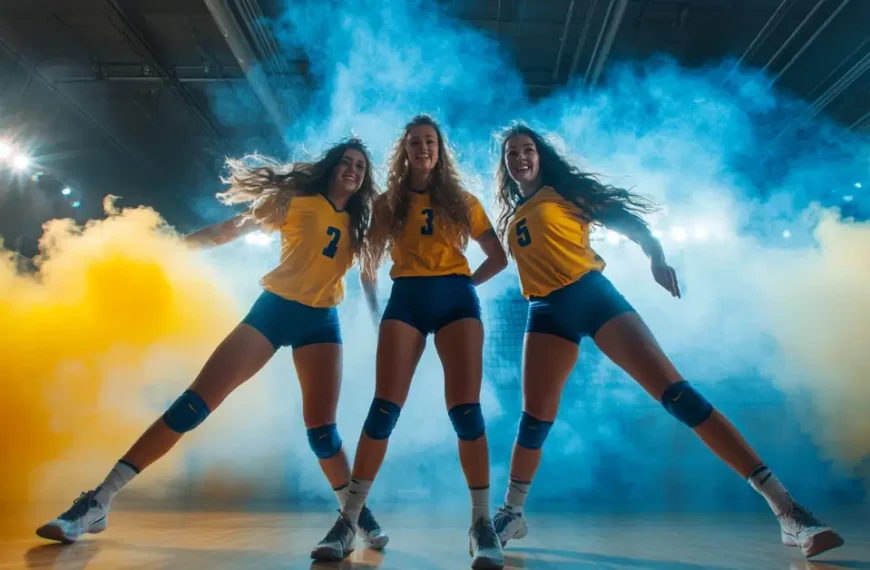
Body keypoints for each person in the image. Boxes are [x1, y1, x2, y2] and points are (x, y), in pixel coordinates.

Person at [489, 123, 845, 560]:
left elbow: (628, 221)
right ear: (505, 165)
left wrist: (655, 256)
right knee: (534, 420)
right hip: (544, 310)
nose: (521, 157)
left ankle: (787, 509)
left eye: (528, 149)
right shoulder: (512, 217)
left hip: (591, 295)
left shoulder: (566, 192)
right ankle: (512, 513)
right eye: (512, 153)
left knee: (678, 396)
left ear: (541, 156)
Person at [35, 138, 390, 558]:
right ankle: (98, 501)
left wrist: (381, 325)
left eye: (360, 167)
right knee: (193, 405)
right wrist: (172, 249)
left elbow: (368, 278)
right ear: (332, 167)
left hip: (321, 321)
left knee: (322, 432)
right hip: (274, 310)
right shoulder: (294, 200)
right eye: (346, 163)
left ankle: (354, 514)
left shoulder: (360, 224)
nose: (352, 170)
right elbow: (227, 231)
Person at [314, 115, 509, 569]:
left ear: (440, 150)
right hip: (407, 299)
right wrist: (375, 307)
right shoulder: (388, 203)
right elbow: (367, 265)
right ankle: (348, 520)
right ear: (404, 151)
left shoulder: (462, 200)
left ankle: (481, 524)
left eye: (430, 141)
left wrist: (464, 288)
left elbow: (497, 257)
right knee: (384, 409)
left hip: (455, 296)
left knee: (466, 411)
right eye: (415, 142)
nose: (422, 148)